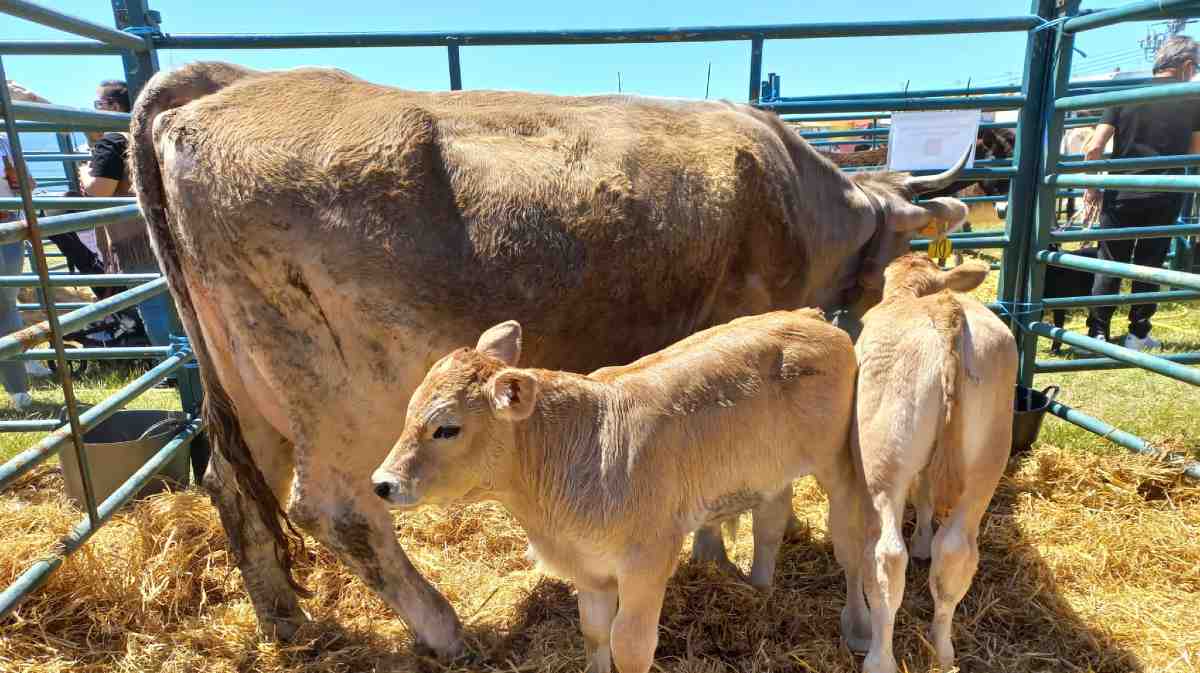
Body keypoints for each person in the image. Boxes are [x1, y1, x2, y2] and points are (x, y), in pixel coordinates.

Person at [1080, 35, 1200, 351]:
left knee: (1108, 263)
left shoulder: (1125, 93)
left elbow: (1093, 147)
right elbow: (1195, 151)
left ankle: (1097, 333)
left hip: (1120, 194)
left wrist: (1092, 187)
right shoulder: (1193, 100)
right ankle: (1138, 334)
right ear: (1188, 66)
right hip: (1165, 194)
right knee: (1149, 265)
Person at [80, 80, 176, 355]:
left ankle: (173, 366)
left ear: (112, 107)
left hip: (136, 240)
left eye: (98, 104)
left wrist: (84, 173)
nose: (95, 110)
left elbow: (100, 190)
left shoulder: (113, 140)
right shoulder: (150, 133)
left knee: (153, 303)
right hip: (168, 228)